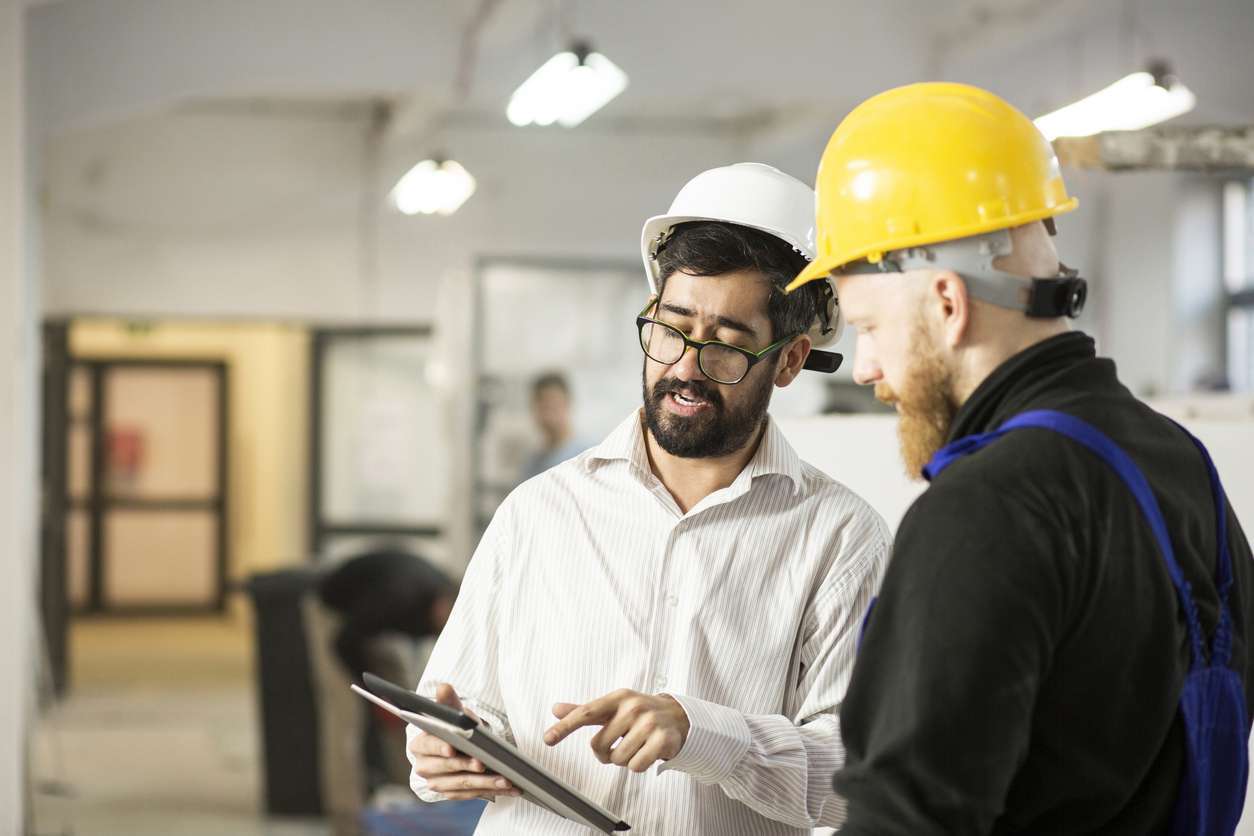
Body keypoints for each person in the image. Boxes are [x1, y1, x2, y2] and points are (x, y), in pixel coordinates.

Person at [785, 81, 1254, 835]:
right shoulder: (1183, 468)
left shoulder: (985, 508)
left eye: (869, 326)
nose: (866, 368)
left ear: (947, 301)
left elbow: (907, 820)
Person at [407, 162, 890, 835]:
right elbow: (457, 707)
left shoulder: (840, 538)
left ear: (789, 360)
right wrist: (437, 749)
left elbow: (858, 779)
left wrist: (705, 734)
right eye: (671, 327)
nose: (685, 366)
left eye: (727, 344)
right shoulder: (539, 512)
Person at [316, 547, 458, 683]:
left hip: (366, 619)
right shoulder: (403, 596)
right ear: (443, 606)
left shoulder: (443, 594)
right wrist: (368, 687)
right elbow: (344, 640)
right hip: (329, 605)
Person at [519, 371, 591, 481]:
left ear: (568, 404)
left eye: (554, 406)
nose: (549, 415)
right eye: (543, 407)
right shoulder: (532, 464)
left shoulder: (588, 456)